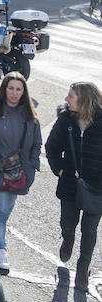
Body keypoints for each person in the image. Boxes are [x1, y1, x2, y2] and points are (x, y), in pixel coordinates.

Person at [0, 71, 40, 271]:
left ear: (23, 91)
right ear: (4, 89)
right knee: (0, 208)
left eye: (18, 89)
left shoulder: (29, 114)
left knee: (6, 209)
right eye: (10, 88)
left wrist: (33, 164)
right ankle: (0, 247)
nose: (14, 93)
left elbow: (37, 142)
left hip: (21, 170)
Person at [45, 81, 102, 292]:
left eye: (71, 96)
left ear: (84, 100)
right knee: (68, 224)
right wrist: (59, 169)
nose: (66, 99)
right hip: (69, 184)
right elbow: (51, 146)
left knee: (90, 231)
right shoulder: (65, 120)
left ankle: (83, 269)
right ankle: (67, 240)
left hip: (97, 188)